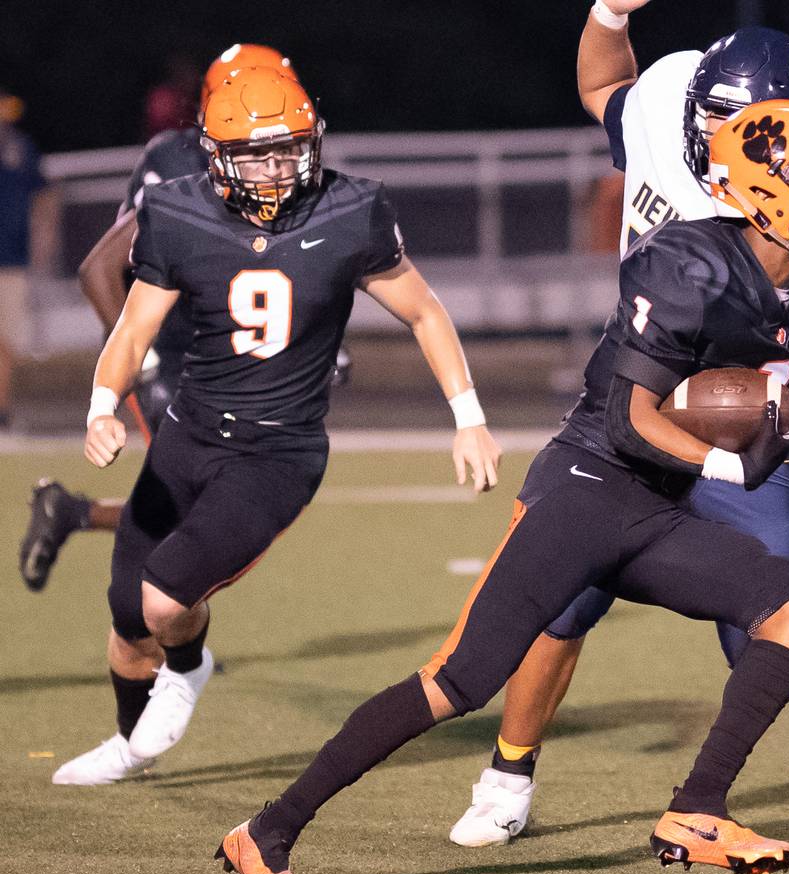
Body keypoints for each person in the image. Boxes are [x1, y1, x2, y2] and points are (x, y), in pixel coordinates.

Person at [215, 98, 789, 874]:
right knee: (457, 680)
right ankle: (267, 832)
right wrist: (731, 467)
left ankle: (696, 810)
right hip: (587, 485)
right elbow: (629, 418)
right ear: (764, 188)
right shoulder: (689, 263)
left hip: (659, 506)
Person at [450, 0, 789, 848]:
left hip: (743, 418)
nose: (747, 137)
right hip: (635, 401)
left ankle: (699, 797)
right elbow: (605, 80)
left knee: (780, 637)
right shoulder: (666, 95)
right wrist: (607, 11)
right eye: (731, 120)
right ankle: (507, 773)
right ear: (699, 108)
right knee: (562, 601)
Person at [51, 67, 502, 787]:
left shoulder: (348, 210)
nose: (275, 168)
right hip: (188, 431)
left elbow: (423, 311)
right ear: (215, 155)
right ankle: (130, 744)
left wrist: (469, 418)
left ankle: (189, 667)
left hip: (277, 450)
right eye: (256, 154)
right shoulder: (179, 212)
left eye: (289, 150)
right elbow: (135, 327)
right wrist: (102, 405)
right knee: (126, 613)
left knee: (165, 598)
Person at [20, 44, 307, 593]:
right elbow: (100, 269)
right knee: (206, 505)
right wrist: (144, 362)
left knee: (208, 504)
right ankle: (156, 634)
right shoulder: (182, 168)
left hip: (216, 360)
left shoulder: (264, 174)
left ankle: (75, 516)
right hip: (168, 354)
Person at [0, 85, 47, 430]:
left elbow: (44, 193)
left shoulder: (20, 147)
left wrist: (44, 237)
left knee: (6, 342)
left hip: (11, 259)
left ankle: (2, 412)